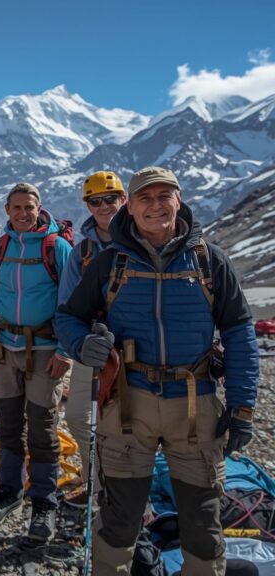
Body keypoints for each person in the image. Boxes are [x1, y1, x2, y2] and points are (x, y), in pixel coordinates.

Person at [56, 166, 259, 574]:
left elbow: (239, 332)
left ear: (178, 200)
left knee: (203, 524)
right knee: (119, 521)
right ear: (129, 208)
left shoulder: (209, 261)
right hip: (128, 407)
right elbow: (68, 318)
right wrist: (82, 344)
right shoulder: (110, 262)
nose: (155, 206)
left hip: (196, 407)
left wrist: (242, 407)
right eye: (145, 198)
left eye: (164, 195)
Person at [0, 182, 73, 542]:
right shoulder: (0, 247)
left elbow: (71, 301)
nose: (23, 213)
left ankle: (44, 502)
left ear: (39, 208)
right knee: (8, 424)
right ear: (7, 209)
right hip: (4, 346)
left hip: (46, 348)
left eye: (28, 207)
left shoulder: (56, 247)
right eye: (16, 207)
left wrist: (65, 351)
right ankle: (9, 491)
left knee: (43, 428)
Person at [56, 171, 126, 508]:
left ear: (122, 200)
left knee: (130, 427)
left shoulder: (141, 238)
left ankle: (125, 496)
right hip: (93, 347)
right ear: (87, 204)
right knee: (78, 418)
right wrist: (75, 344)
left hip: (137, 352)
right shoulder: (81, 251)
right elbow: (66, 305)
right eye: (95, 201)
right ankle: (99, 484)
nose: (104, 206)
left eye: (110, 199)